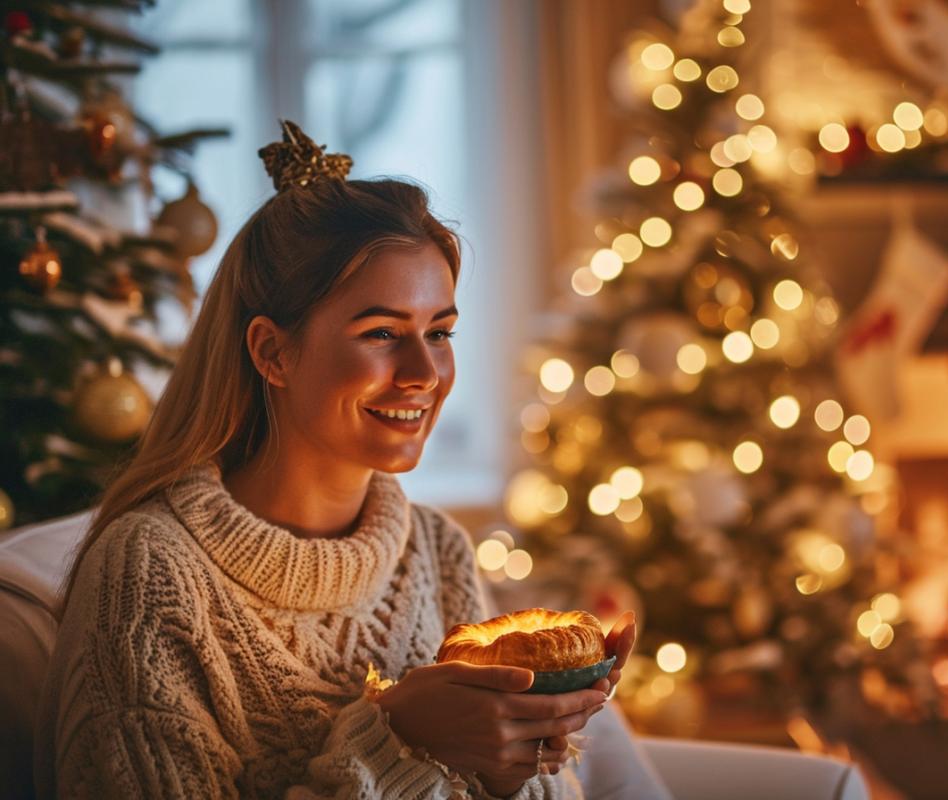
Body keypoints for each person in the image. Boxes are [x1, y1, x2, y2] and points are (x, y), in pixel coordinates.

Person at [34, 121, 672, 800]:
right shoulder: (149, 575)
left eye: (440, 332)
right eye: (381, 334)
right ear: (271, 352)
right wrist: (398, 744)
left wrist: (525, 757)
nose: (425, 371)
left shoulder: (436, 550)